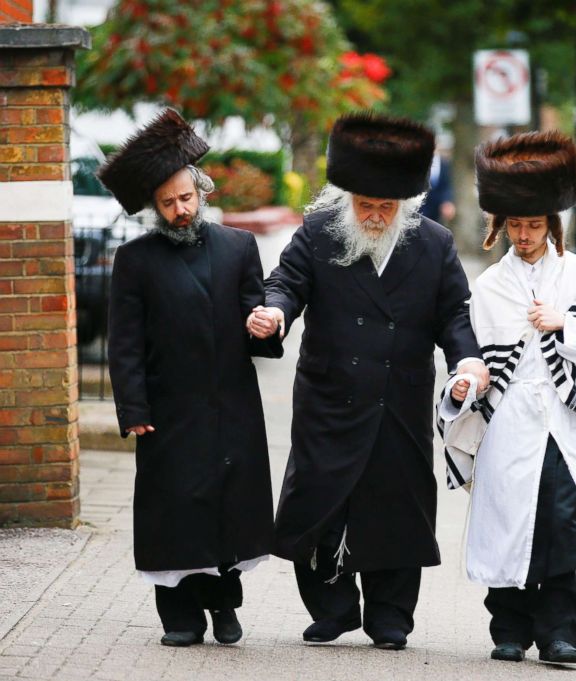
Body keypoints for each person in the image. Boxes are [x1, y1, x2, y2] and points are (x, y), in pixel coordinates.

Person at [246, 111, 488, 650]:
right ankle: (332, 609)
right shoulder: (318, 233)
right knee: (319, 501)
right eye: (365, 205)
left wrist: (467, 361)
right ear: (346, 197)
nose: (375, 216)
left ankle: (390, 616)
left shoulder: (435, 244)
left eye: (386, 207)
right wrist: (275, 313)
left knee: (397, 505)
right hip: (329, 397)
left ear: (406, 204)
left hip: (397, 399)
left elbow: (454, 314)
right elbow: (286, 282)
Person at [437, 130, 576, 665]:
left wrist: (566, 324)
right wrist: (462, 385)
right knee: (506, 521)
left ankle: (561, 634)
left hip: (564, 420)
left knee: (561, 520)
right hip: (507, 421)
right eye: (516, 226)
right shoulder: (490, 286)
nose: (524, 235)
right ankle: (509, 630)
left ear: (553, 225)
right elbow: (470, 356)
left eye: (534, 225)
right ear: (501, 226)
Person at [101, 109, 281, 647]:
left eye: (187, 198)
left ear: (200, 191)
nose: (181, 211)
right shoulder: (135, 260)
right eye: (168, 203)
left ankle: (224, 610)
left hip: (231, 406)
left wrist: (265, 324)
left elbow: (260, 325)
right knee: (174, 512)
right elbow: (124, 342)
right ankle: (179, 617)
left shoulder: (237, 247)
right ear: (154, 208)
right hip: (168, 410)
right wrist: (134, 411)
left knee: (228, 508)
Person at [420, 151, 455, 224]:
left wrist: (447, 202)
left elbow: (446, 186)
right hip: (418, 210)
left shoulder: (444, 164)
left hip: (436, 212)